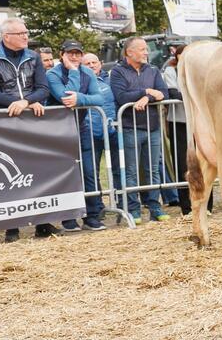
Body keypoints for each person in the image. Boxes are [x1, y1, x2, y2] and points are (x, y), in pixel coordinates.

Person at [0, 17, 58, 244]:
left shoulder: (33, 56)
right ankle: (11, 228)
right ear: (6, 37)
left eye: (26, 32)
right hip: (3, 122)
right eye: (21, 33)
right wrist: (17, 103)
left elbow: (43, 88)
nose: (26, 36)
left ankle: (42, 223)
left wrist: (26, 102)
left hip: (32, 120)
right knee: (10, 173)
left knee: (38, 169)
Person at [47, 40, 106, 231]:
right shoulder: (52, 74)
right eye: (70, 53)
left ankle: (92, 216)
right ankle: (69, 217)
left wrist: (80, 98)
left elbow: (99, 98)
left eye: (78, 53)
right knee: (67, 173)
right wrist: (73, 71)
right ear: (62, 55)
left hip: (82, 127)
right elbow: (65, 97)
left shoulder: (88, 72)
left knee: (89, 172)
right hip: (59, 131)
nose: (74, 57)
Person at [111, 36, 171, 222]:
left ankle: (155, 208)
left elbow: (163, 93)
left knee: (153, 170)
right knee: (131, 171)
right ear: (129, 52)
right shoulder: (118, 72)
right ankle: (133, 210)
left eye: (146, 49)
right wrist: (146, 91)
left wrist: (147, 98)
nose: (147, 52)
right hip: (130, 128)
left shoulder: (152, 70)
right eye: (142, 49)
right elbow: (122, 97)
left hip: (153, 127)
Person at [82, 52, 120, 221]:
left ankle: (121, 202)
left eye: (94, 62)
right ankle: (97, 207)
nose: (92, 65)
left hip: (112, 130)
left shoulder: (110, 79)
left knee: (119, 169)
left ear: (100, 63)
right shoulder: (82, 81)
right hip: (91, 132)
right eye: (87, 63)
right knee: (92, 171)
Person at [162, 44, 193, 215]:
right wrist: (194, 96)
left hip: (196, 122)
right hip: (179, 122)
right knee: (182, 164)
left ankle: (207, 203)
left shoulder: (196, 70)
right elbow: (173, 93)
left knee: (202, 162)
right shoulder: (170, 71)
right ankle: (186, 206)